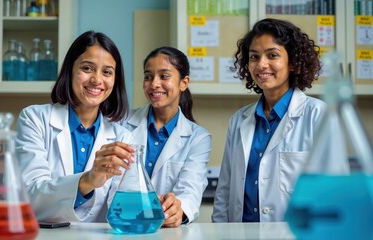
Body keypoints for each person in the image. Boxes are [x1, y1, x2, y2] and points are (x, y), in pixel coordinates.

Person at [211, 18, 326, 222]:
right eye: (254, 57)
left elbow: (331, 192)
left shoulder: (317, 116)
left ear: (292, 62)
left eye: (272, 55)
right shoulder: (239, 120)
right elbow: (224, 192)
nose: (261, 64)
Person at [15, 30, 135, 223]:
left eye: (107, 72)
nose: (97, 80)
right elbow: (30, 195)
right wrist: (87, 180)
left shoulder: (123, 138)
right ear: (70, 70)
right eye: (87, 68)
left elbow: (120, 209)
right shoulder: (34, 119)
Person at [119, 46, 212, 227]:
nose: (154, 84)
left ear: (183, 83)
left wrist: (178, 209)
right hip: (125, 225)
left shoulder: (198, 138)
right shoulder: (121, 123)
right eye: (148, 76)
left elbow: (190, 190)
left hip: (168, 232)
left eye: (164, 76)